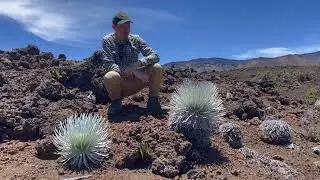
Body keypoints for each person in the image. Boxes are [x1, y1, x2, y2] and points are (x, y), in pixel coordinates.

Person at [102, 11, 166, 116]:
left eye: (128, 26)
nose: (126, 29)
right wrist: (126, 70)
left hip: (139, 80)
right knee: (110, 76)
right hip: (122, 85)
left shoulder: (136, 39)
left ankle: (153, 102)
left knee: (156, 67)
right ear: (114, 26)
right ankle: (116, 103)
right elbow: (108, 63)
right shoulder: (108, 41)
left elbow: (155, 56)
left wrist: (138, 65)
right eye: (122, 26)